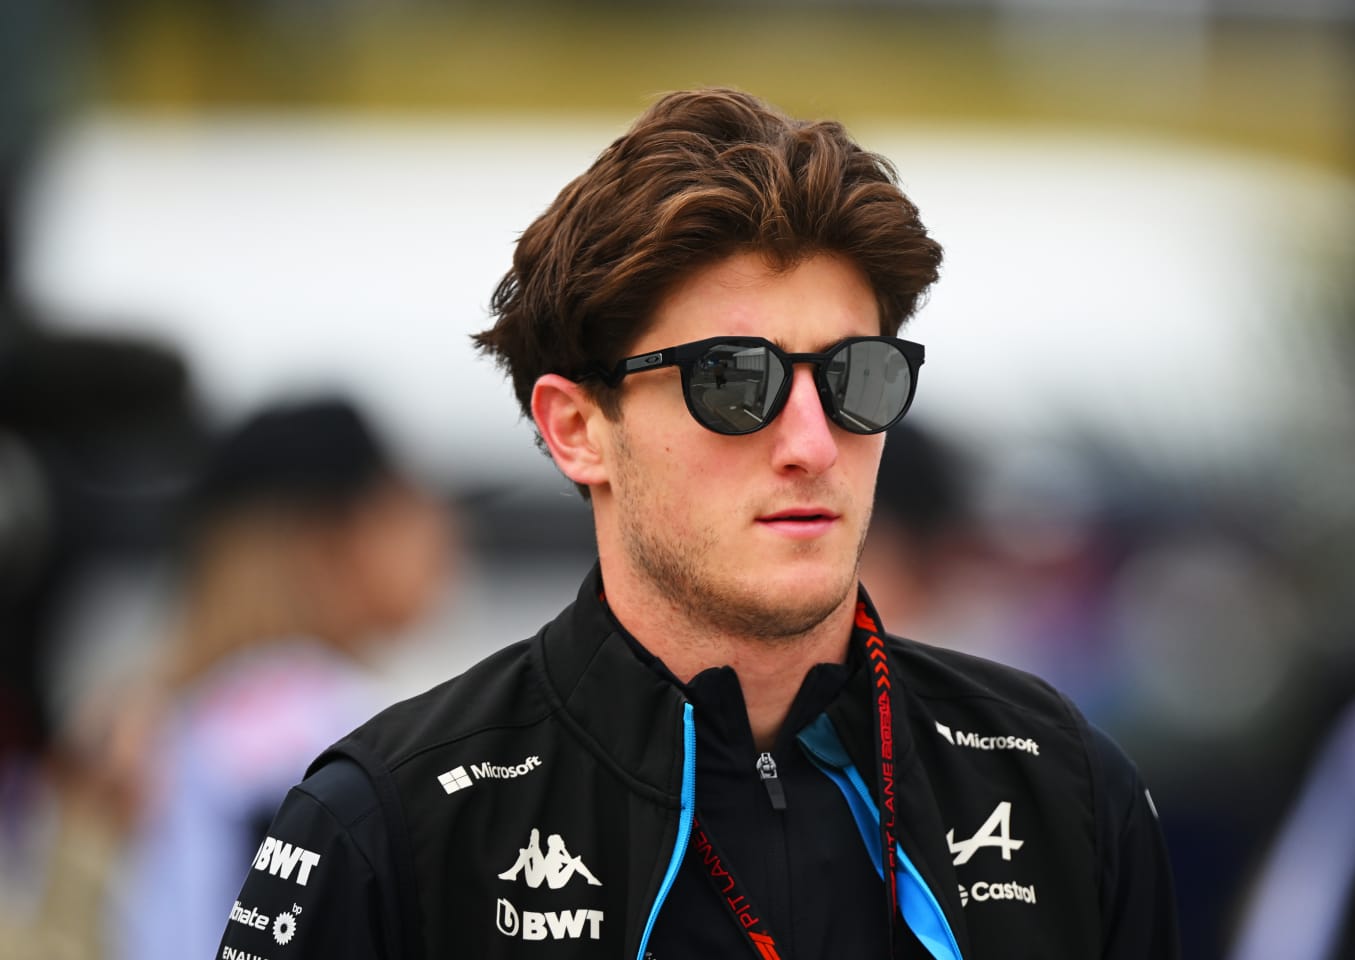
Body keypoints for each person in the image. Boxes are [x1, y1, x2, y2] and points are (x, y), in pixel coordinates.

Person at [214, 87, 1179, 959]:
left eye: (858, 378)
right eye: (735, 382)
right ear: (578, 428)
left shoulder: (1062, 791)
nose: (811, 441)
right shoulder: (392, 823)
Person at [111, 396, 453, 960]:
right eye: (405, 504)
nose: (444, 531)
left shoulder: (153, 728)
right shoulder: (353, 726)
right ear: (329, 537)